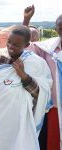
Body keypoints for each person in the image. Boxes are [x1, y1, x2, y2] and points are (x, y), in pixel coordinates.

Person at [0, 25, 52, 150]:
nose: (11, 47)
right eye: (9, 42)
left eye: (16, 45)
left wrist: (23, 75)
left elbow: (40, 94)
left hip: (21, 117)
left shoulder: (35, 63)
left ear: (27, 44)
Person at [22, 5, 62, 150]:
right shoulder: (48, 48)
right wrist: (26, 20)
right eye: (60, 27)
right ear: (56, 28)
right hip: (55, 109)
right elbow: (24, 47)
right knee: (54, 144)